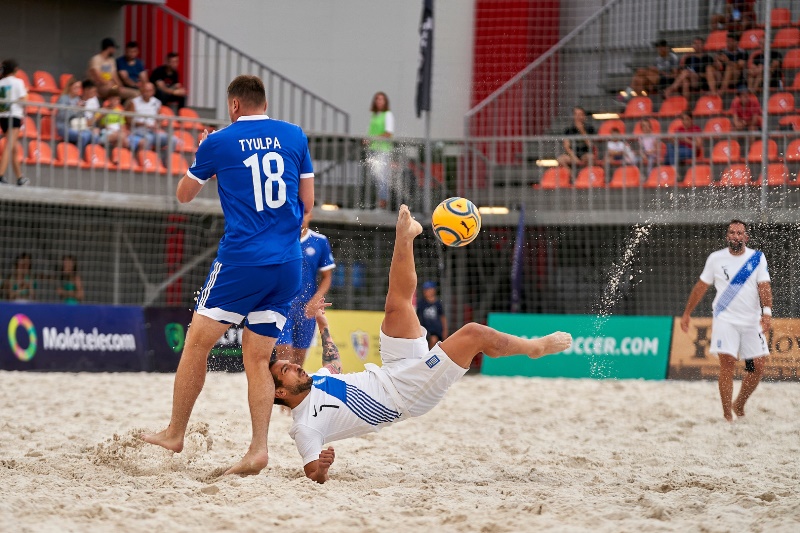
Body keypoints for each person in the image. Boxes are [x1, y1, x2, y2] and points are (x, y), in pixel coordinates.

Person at [270, 206, 572, 483]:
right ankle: (533, 348)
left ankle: (406, 236)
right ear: (281, 392)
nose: (295, 366)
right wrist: (322, 468)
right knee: (473, 334)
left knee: (396, 305)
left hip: (392, 371)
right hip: (408, 393)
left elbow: (333, 363)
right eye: (287, 370)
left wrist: (324, 326)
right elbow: (312, 473)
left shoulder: (316, 380)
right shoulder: (305, 426)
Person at [142, 74, 315, 477]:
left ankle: (175, 433)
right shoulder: (294, 135)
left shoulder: (218, 141)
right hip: (287, 264)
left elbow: (183, 195)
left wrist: (206, 154)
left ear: (234, 105)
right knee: (258, 359)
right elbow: (307, 203)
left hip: (242, 262)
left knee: (196, 344)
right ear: (264, 102)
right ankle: (258, 449)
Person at [680, 220, 772, 422]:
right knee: (728, 363)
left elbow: (764, 286)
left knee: (756, 366)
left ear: (746, 237)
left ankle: (739, 404)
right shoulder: (716, 258)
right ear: (727, 236)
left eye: (739, 233)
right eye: (732, 232)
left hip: (751, 320)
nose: (735, 236)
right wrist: (687, 313)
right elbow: (701, 287)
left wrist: (767, 312)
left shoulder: (757, 257)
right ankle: (726, 416)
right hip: (725, 319)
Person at [275, 210, 336, 367]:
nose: (300, 216)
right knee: (284, 353)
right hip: (282, 305)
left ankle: (291, 384)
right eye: (297, 212)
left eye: (304, 213)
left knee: (298, 360)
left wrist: (316, 300)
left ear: (311, 215)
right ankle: (276, 383)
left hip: (306, 308)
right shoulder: (279, 239)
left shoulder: (320, 241)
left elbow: (327, 277)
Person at [0, 58, 29, 186]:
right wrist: (26, 92)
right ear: (15, 69)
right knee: (9, 147)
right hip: (14, 117)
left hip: (3, 117)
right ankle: (0, 175)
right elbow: (24, 101)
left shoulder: (1, 83)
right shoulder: (18, 82)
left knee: (13, 149)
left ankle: (19, 177)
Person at [365, 91, 394, 209]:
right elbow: (372, 131)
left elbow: (388, 133)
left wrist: (372, 139)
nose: (379, 101)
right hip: (373, 149)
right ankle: (380, 201)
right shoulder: (374, 115)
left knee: (382, 176)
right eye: (377, 99)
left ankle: (383, 202)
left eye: (381, 99)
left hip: (383, 149)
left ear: (385, 102)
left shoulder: (388, 115)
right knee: (376, 176)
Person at [55, 77, 101, 153]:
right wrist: (75, 109)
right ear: (70, 87)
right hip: (64, 127)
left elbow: (81, 117)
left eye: (79, 87)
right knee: (83, 136)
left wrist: (81, 109)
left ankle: (89, 157)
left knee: (95, 137)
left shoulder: (78, 100)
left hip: (77, 127)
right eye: (75, 87)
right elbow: (62, 116)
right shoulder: (63, 99)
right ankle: (77, 156)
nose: (77, 89)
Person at [126, 82, 171, 153]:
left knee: (172, 139)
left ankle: (166, 159)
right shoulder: (134, 102)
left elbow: (158, 119)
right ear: (141, 91)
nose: (146, 93)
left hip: (152, 131)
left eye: (149, 91)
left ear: (153, 92)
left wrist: (157, 125)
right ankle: (145, 158)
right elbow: (129, 120)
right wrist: (144, 124)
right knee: (148, 138)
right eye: (145, 90)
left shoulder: (157, 102)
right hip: (138, 130)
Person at [417, 280, 447, 348]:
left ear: (434, 290)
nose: (426, 291)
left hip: (437, 330)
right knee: (432, 340)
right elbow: (418, 316)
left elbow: (442, 317)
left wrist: (445, 330)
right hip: (426, 329)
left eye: (429, 289)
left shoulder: (438, 303)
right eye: (425, 290)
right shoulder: (421, 303)